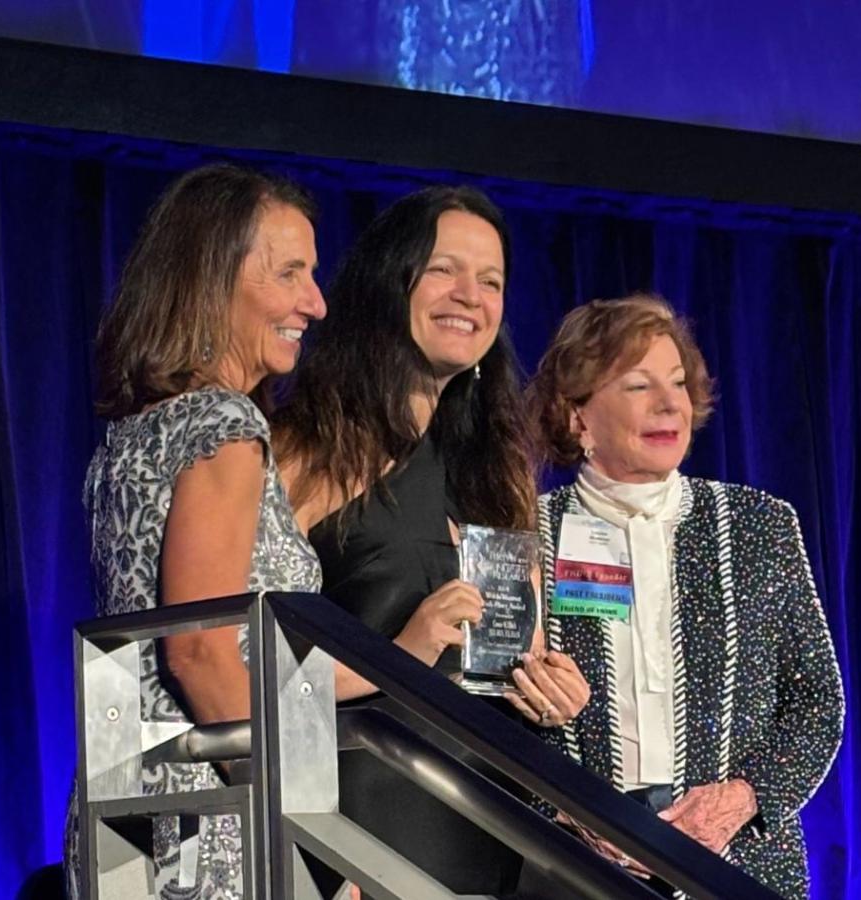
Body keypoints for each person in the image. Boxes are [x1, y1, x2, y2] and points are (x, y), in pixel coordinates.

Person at [272, 185, 590, 897]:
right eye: (444, 269)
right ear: (391, 282)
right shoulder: (306, 449)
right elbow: (242, 669)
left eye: (491, 281)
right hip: (355, 826)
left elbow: (516, 650)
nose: (470, 295)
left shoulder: (498, 465)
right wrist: (401, 650)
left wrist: (549, 689)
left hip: (486, 819)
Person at [63, 162, 332, 900]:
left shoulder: (130, 435)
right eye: (290, 273)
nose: (316, 302)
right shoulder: (225, 425)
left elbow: (244, 658)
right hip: (208, 828)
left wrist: (409, 652)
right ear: (214, 280)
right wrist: (308, 832)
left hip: (127, 808)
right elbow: (200, 653)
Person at [526, 294, 844, 899]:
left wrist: (742, 798)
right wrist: (566, 809)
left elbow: (817, 703)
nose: (670, 403)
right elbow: (483, 714)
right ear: (576, 416)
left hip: (740, 869)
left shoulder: (759, 525)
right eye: (638, 385)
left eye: (677, 383)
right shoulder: (526, 534)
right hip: (569, 870)